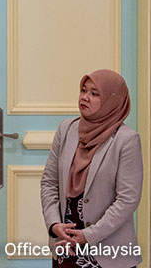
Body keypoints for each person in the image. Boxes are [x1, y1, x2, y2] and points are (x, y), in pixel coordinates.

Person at [40, 70, 143, 268]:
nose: (85, 97)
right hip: (66, 245)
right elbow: (49, 182)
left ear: (112, 101)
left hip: (109, 252)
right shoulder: (66, 129)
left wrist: (89, 235)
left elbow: (128, 199)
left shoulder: (126, 140)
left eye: (95, 93)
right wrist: (54, 225)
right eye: (83, 90)